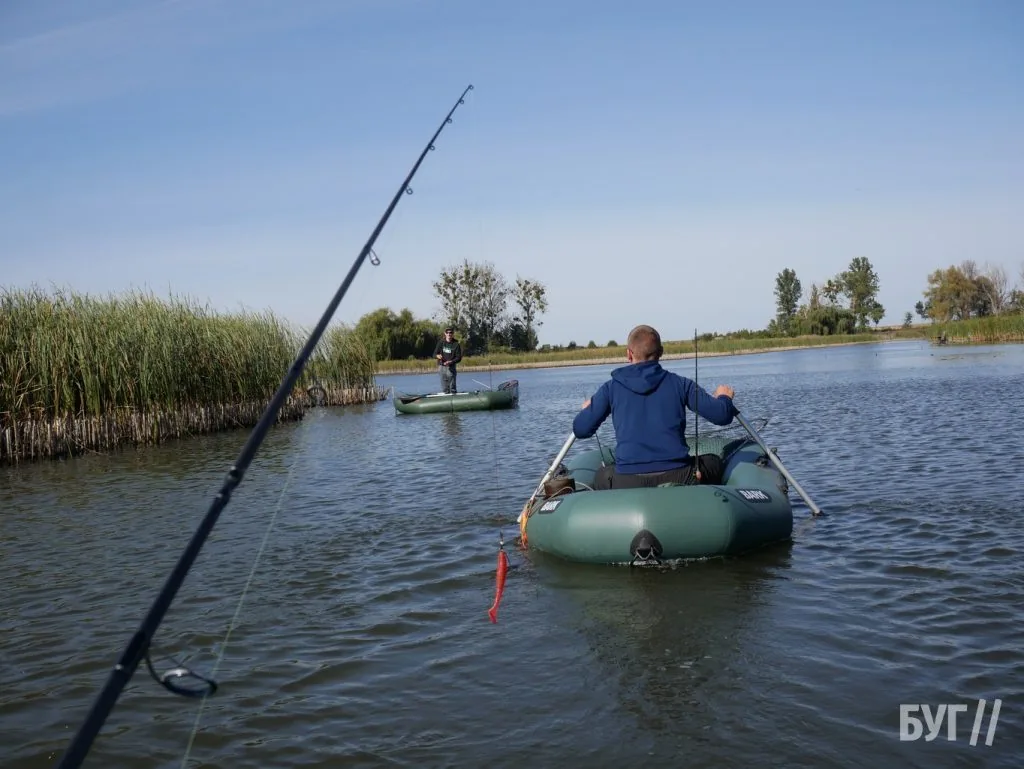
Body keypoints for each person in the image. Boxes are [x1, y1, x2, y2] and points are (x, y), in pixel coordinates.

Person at [572, 324, 738, 490]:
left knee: (602, 475)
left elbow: (581, 429)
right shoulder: (681, 384)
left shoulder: (610, 388)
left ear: (629, 354)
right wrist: (724, 396)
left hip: (626, 481)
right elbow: (722, 416)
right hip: (680, 475)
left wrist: (589, 410)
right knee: (713, 462)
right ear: (661, 352)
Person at [434, 327, 462, 394]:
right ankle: (446, 397)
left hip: (451, 367)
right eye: (447, 332)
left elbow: (459, 358)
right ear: (445, 333)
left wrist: (451, 362)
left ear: (453, 334)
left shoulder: (456, 344)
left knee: (452, 387)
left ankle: (454, 398)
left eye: (451, 332)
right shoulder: (441, 343)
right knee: (445, 388)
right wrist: (437, 356)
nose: (449, 334)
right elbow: (434, 354)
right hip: (441, 367)